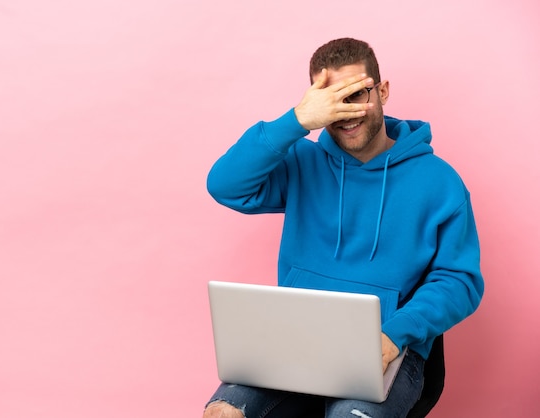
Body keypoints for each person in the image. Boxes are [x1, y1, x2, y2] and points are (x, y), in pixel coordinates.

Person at [203, 38, 484, 418]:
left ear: (382, 91)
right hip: (294, 340)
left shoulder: (440, 182)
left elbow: (460, 280)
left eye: (356, 95)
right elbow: (224, 185)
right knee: (223, 412)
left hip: (387, 345)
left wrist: (396, 333)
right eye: (332, 99)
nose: (345, 112)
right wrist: (297, 122)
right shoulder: (303, 162)